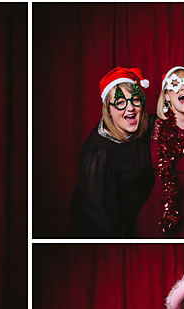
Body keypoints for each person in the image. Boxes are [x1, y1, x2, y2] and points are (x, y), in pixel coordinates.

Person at [70, 67, 154, 238]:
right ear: (108, 109)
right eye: (120, 102)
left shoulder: (142, 128)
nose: (130, 108)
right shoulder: (99, 152)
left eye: (135, 100)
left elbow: (170, 116)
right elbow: (98, 218)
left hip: (135, 226)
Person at [135, 67, 184, 237]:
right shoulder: (155, 126)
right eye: (176, 85)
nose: (183, 88)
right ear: (166, 96)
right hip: (161, 205)